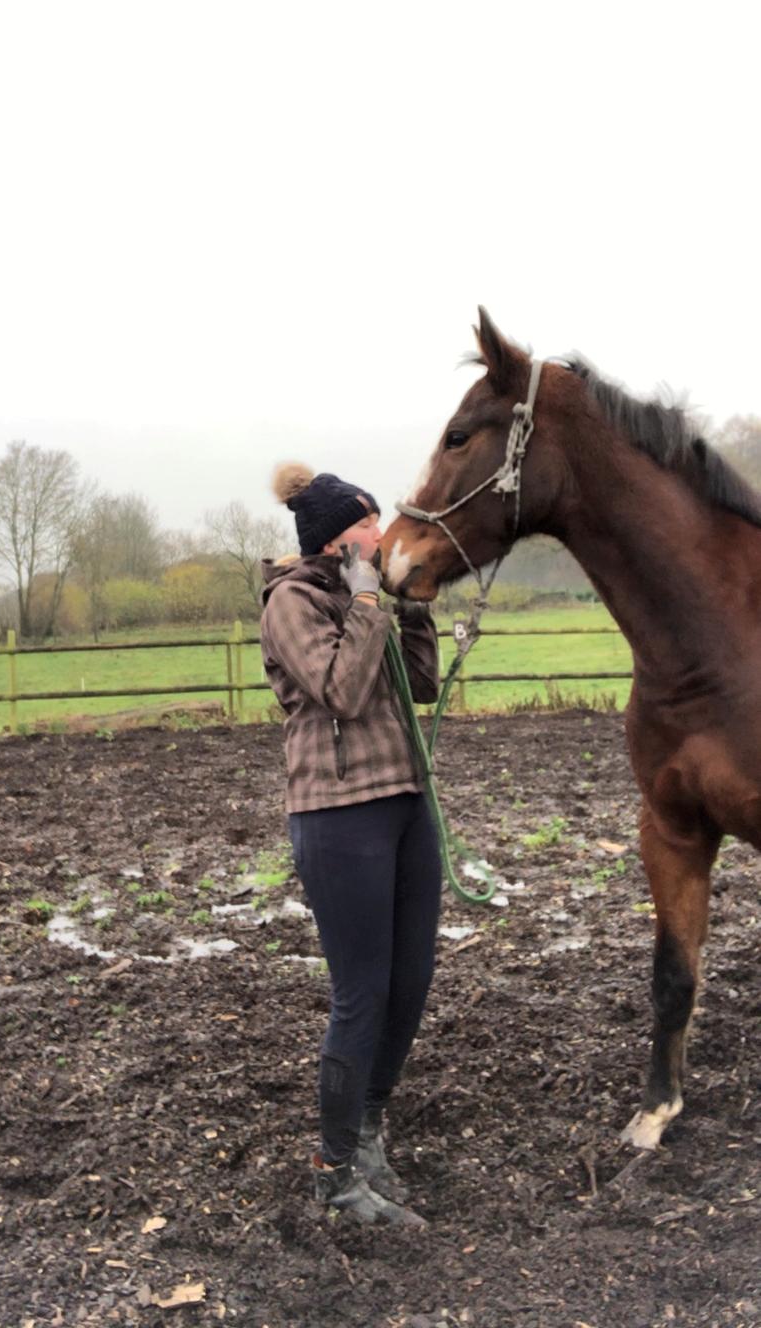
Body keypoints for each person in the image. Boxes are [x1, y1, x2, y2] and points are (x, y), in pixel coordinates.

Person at [260, 462, 442, 1227]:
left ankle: (368, 1128)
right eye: (370, 525)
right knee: (362, 991)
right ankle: (334, 1171)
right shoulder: (293, 602)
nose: (384, 533)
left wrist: (412, 606)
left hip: (405, 804)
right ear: (340, 542)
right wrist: (369, 599)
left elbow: (421, 683)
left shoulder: (364, 596)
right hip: (338, 816)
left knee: (408, 984)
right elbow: (343, 690)